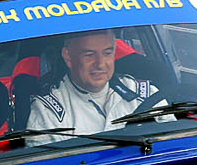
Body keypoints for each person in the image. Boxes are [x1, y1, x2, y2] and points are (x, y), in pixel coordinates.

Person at [26, 29, 158, 135]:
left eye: (107, 53)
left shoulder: (144, 94)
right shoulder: (47, 112)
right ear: (68, 57)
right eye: (89, 55)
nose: (100, 64)